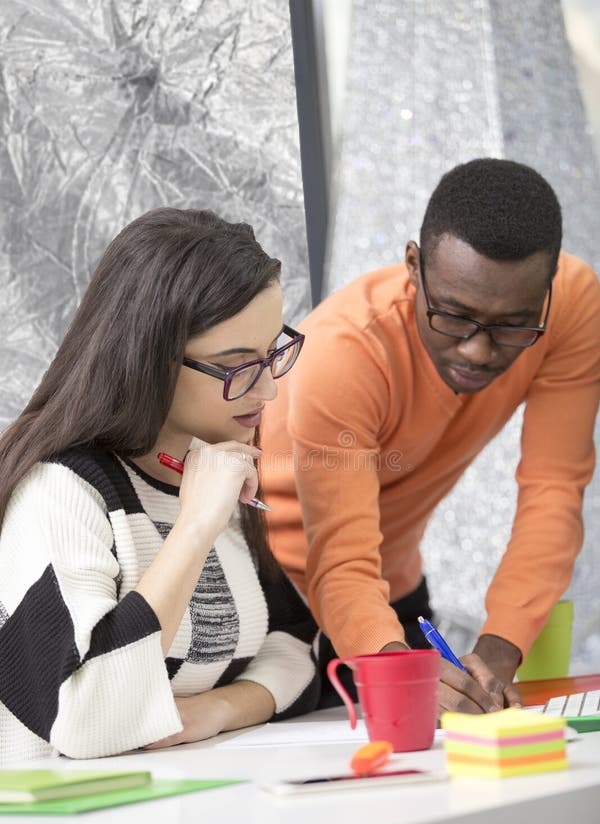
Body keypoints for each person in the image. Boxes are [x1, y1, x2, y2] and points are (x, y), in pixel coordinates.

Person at [260, 158, 600, 714]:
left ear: (548, 289)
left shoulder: (575, 305)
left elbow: (554, 488)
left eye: (513, 323)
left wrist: (498, 650)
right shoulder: (342, 353)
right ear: (413, 267)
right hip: (275, 599)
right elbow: (339, 560)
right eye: (454, 315)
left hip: (392, 593)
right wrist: (397, 669)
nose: (477, 350)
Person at [0, 208, 319, 762]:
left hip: (176, 806)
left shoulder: (208, 466)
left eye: (273, 352)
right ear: (149, 360)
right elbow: (85, 719)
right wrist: (193, 532)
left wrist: (220, 710)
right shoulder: (61, 489)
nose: (268, 390)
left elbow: (295, 647)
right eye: (237, 365)